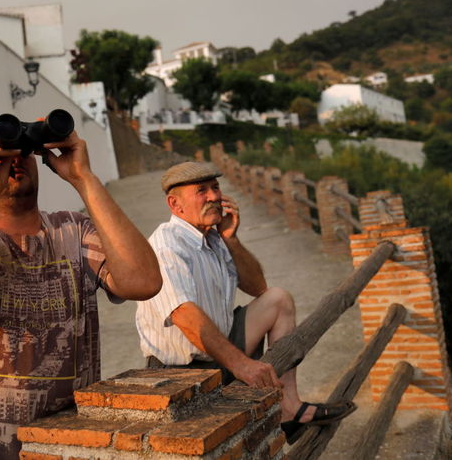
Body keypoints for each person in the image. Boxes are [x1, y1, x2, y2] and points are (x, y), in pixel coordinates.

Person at [0, 116, 162, 459]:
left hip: (69, 447)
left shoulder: (74, 230)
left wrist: (84, 178)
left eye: (22, 152)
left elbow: (145, 282)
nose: (14, 161)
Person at [135, 161, 355, 445]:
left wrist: (232, 240)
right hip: (180, 372)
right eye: (201, 191)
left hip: (219, 350)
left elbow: (257, 287)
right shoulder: (167, 244)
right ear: (175, 205)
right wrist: (243, 366)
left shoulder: (214, 237)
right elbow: (185, 315)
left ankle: (290, 409)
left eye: (215, 187)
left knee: (277, 299)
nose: (214, 196)